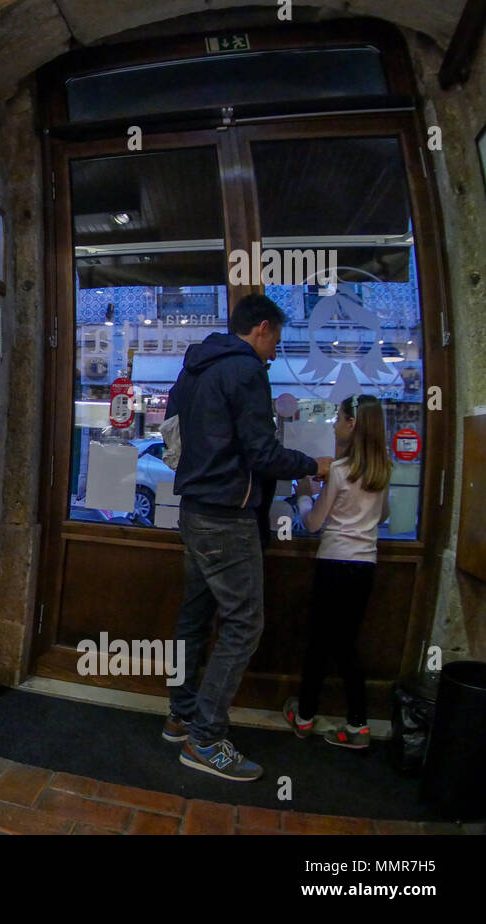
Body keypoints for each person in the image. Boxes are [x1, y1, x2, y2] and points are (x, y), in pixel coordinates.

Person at [163, 294, 333, 781]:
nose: (275, 352)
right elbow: (262, 453)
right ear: (261, 328)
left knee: (194, 618)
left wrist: (199, 473)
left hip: (193, 510)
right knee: (243, 626)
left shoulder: (194, 367)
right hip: (226, 518)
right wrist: (312, 464)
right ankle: (205, 739)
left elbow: (171, 434)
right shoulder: (246, 371)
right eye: (276, 340)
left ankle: (181, 714)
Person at [284, 395, 392, 750]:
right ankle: (358, 725)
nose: (333, 425)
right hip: (365, 566)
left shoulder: (342, 472)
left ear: (351, 425)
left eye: (338, 418)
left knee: (318, 642)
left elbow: (313, 524)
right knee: (348, 645)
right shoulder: (383, 471)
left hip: (333, 564)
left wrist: (303, 495)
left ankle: (304, 718)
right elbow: (385, 516)